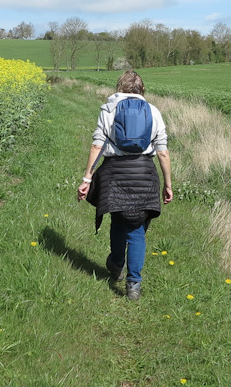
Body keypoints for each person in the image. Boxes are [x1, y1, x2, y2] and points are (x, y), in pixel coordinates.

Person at [77, 70, 173, 301]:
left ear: (119, 87)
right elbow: (163, 151)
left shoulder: (108, 109)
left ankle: (116, 265)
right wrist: (167, 184)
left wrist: (87, 178)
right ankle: (134, 285)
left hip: (115, 173)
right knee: (138, 230)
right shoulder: (153, 111)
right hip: (145, 173)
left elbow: (96, 145)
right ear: (142, 90)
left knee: (119, 222)